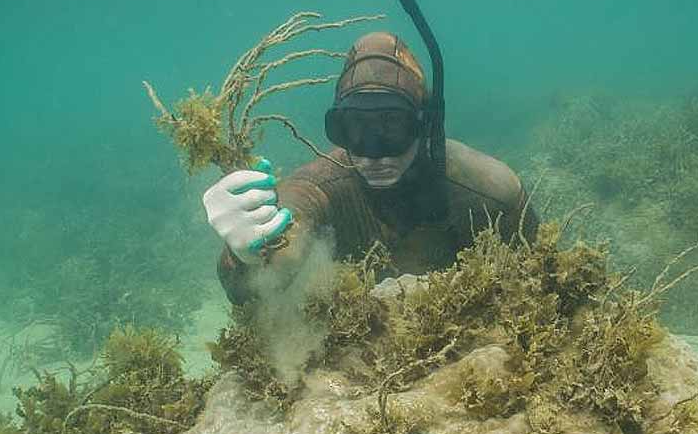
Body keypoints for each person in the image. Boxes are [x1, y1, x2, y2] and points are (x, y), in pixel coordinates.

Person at [204, 31, 539, 305]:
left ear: (423, 124)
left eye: (392, 127)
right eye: (354, 130)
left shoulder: (488, 192)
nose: (373, 154)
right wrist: (246, 255)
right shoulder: (320, 186)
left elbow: (538, 284)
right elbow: (285, 234)